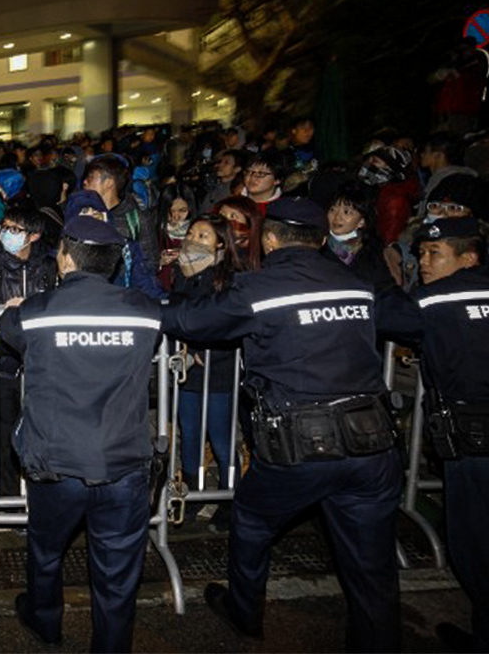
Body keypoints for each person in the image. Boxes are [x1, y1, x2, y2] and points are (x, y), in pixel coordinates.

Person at [162, 198, 402, 652]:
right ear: (320, 238)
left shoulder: (260, 287)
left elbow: (192, 320)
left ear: (270, 239)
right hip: (371, 441)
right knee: (372, 564)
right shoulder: (357, 282)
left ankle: (246, 612)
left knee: (252, 521)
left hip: (300, 443)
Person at [0, 213, 162, 653]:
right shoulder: (144, 313)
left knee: (47, 551)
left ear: (65, 258)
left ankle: (45, 621)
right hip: (123, 463)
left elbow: (10, 332)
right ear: (111, 263)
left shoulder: (36, 313)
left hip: (57, 463)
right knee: (116, 572)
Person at [376, 217, 489, 653]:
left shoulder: (437, 300)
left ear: (468, 257)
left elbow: (382, 314)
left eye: (435, 254)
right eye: (421, 253)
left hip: (481, 445)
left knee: (479, 551)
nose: (423, 263)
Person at [0, 202, 57, 497]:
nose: (7, 234)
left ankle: (41, 499)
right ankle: (9, 502)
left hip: (39, 366)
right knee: (3, 438)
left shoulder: (49, 268)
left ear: (33, 236)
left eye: (15, 229)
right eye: (5, 227)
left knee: (40, 435)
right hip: (0, 366)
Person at [168, 214, 244, 529]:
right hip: (187, 373)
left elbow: (230, 321)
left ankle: (232, 502)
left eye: (204, 236)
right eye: (193, 233)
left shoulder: (229, 278)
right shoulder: (180, 272)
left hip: (219, 371)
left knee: (222, 440)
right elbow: (174, 313)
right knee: (189, 436)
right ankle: (192, 496)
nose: (194, 240)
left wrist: (201, 349)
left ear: (221, 244)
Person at [322, 180, 395, 292]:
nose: (337, 217)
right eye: (333, 210)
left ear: (361, 221)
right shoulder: (317, 247)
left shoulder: (373, 253)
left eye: (346, 212)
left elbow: (385, 291)